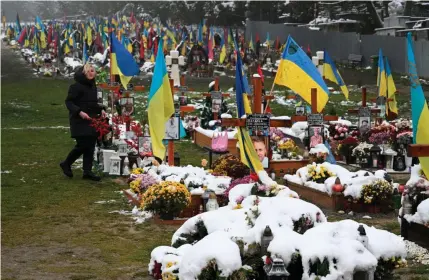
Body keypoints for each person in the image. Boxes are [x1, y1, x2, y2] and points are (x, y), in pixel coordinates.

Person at [60, 64, 106, 181]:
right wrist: (79, 112)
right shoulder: (76, 87)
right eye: (89, 71)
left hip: (91, 119)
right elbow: (69, 102)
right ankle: (66, 163)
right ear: (84, 73)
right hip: (79, 120)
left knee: (90, 144)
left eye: (93, 71)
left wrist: (102, 110)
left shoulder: (93, 87)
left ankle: (87, 171)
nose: (92, 73)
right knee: (83, 144)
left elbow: (93, 104)